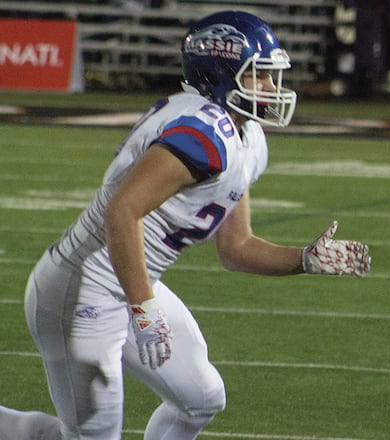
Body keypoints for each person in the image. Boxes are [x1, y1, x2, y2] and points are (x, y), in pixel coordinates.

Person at [0, 10, 371, 440]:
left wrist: (304, 259)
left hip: (130, 279)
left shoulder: (243, 137)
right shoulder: (204, 131)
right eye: (259, 76)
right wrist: (145, 309)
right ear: (221, 73)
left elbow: (237, 247)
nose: (273, 88)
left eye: (273, 76)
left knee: (202, 397)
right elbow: (122, 211)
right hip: (82, 289)